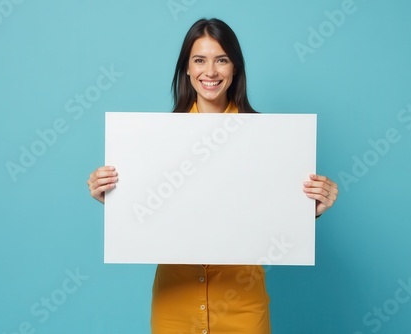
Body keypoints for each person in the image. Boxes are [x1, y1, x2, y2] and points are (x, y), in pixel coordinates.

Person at [87, 18, 338, 334]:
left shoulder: (270, 139)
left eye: (222, 60)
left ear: (235, 68)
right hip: (174, 302)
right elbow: (146, 211)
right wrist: (112, 196)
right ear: (187, 69)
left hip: (243, 303)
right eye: (199, 60)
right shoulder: (153, 140)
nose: (211, 71)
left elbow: (273, 217)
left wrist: (308, 211)